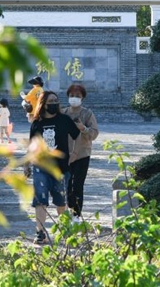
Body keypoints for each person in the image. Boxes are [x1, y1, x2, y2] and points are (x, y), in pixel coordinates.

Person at [28, 91, 80, 244]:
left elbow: (78, 136)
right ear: (43, 104)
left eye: (56, 101)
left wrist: (75, 153)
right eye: (50, 101)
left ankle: (64, 231)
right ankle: (40, 232)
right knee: (40, 200)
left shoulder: (64, 120)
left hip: (61, 168)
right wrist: (26, 164)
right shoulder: (37, 123)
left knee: (61, 201)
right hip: (40, 166)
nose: (53, 104)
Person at [62, 84, 99, 222]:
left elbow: (94, 133)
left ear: (82, 98)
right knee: (67, 185)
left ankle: (76, 215)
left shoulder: (87, 114)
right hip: (66, 154)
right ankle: (68, 211)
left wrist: (83, 128)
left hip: (82, 154)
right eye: (72, 96)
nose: (74, 98)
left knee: (78, 184)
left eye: (77, 96)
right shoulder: (63, 113)